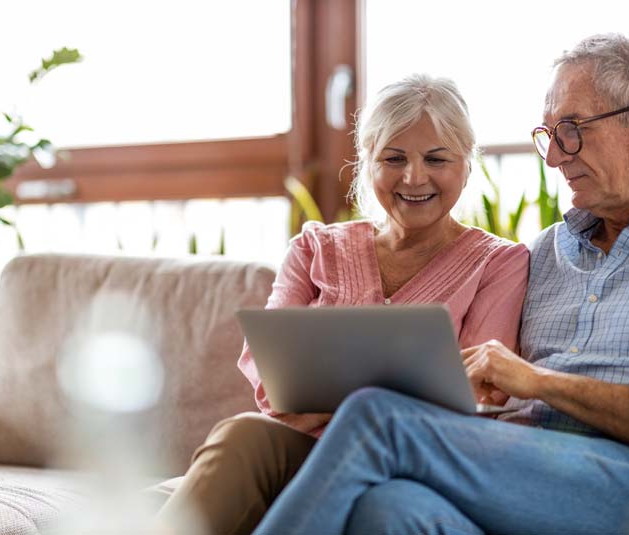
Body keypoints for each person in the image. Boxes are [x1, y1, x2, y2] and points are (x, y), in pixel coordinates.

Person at [253, 26, 629, 535]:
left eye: (572, 129)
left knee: (379, 417)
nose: (553, 156)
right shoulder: (544, 252)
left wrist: (538, 382)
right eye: (549, 134)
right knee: (389, 509)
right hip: (514, 466)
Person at [156, 74, 529, 534]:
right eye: (393, 158)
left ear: (467, 167)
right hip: (304, 450)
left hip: (407, 466)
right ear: (366, 163)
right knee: (243, 434)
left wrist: (335, 405)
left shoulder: (500, 262)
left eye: (437, 159)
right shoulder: (314, 247)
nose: (414, 177)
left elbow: (473, 395)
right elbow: (272, 378)